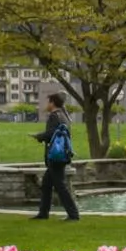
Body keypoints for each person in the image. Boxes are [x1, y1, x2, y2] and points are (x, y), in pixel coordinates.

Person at [31, 93, 81, 221]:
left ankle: (73, 214)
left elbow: (51, 134)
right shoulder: (64, 116)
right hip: (62, 155)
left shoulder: (54, 116)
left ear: (52, 103)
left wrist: (38, 136)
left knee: (60, 186)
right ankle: (43, 213)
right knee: (47, 184)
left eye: (48, 102)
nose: (47, 105)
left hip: (55, 156)